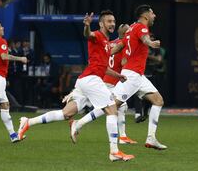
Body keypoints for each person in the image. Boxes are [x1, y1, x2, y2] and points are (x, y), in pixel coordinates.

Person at [18, 11, 135, 161]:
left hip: (85, 80)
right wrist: (86, 26)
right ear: (101, 24)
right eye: (109, 21)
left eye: (113, 21)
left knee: (65, 114)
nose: (112, 24)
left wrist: (118, 76)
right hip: (91, 80)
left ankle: (28, 122)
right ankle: (114, 151)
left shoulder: (106, 43)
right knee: (112, 109)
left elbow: (102, 67)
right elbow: (88, 35)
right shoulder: (98, 36)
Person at [72, 5, 167, 150]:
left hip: (137, 75)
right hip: (132, 75)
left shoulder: (131, 29)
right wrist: (151, 43)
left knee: (158, 100)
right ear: (146, 15)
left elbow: (119, 46)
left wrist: (105, 54)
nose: (155, 16)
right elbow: (145, 38)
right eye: (153, 13)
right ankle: (78, 123)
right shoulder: (141, 27)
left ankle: (151, 138)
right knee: (111, 105)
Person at [67, 24, 137, 144]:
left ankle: (123, 136)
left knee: (120, 106)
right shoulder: (125, 45)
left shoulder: (110, 43)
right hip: (110, 81)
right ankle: (78, 123)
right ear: (127, 34)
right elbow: (124, 61)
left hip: (102, 78)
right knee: (108, 107)